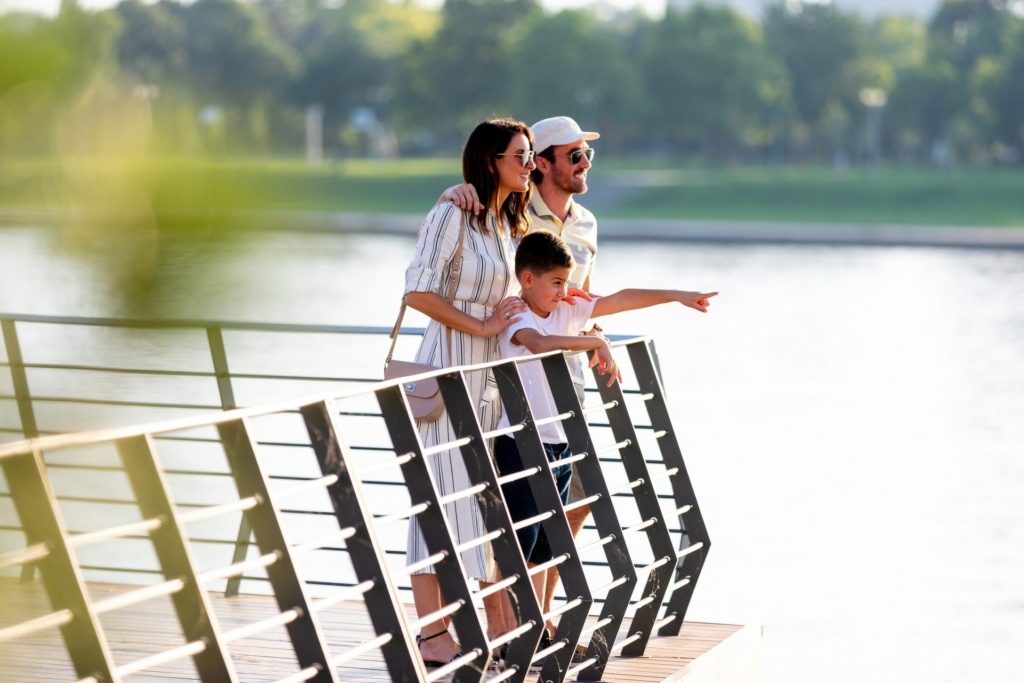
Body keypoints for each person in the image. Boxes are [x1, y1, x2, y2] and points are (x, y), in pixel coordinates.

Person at [490, 229, 717, 649]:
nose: (566, 291)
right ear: (527, 278)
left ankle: (537, 628)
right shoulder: (516, 314)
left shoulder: (566, 308)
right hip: (519, 443)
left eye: (566, 281)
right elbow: (538, 345)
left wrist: (678, 295)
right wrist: (595, 340)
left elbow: (620, 298)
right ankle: (508, 634)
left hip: (556, 444)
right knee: (519, 545)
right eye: (556, 282)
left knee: (546, 544)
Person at [440, 115, 603, 639]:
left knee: (574, 501)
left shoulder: (587, 224)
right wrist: (459, 188)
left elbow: (584, 296)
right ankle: (506, 623)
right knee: (511, 504)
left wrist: (596, 337)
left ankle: (542, 611)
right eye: (573, 155)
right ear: (544, 163)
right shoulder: (511, 210)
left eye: (587, 155)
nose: (584, 164)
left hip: (568, 371)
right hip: (512, 373)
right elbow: (473, 213)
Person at [402, 118, 533, 667]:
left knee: (477, 505)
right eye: (520, 156)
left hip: (489, 387)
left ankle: (482, 627)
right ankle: (433, 636)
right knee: (436, 503)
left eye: (529, 156)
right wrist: (478, 326)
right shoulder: (452, 213)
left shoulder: (506, 224)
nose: (529, 165)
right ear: (490, 161)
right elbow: (416, 290)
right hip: (448, 373)